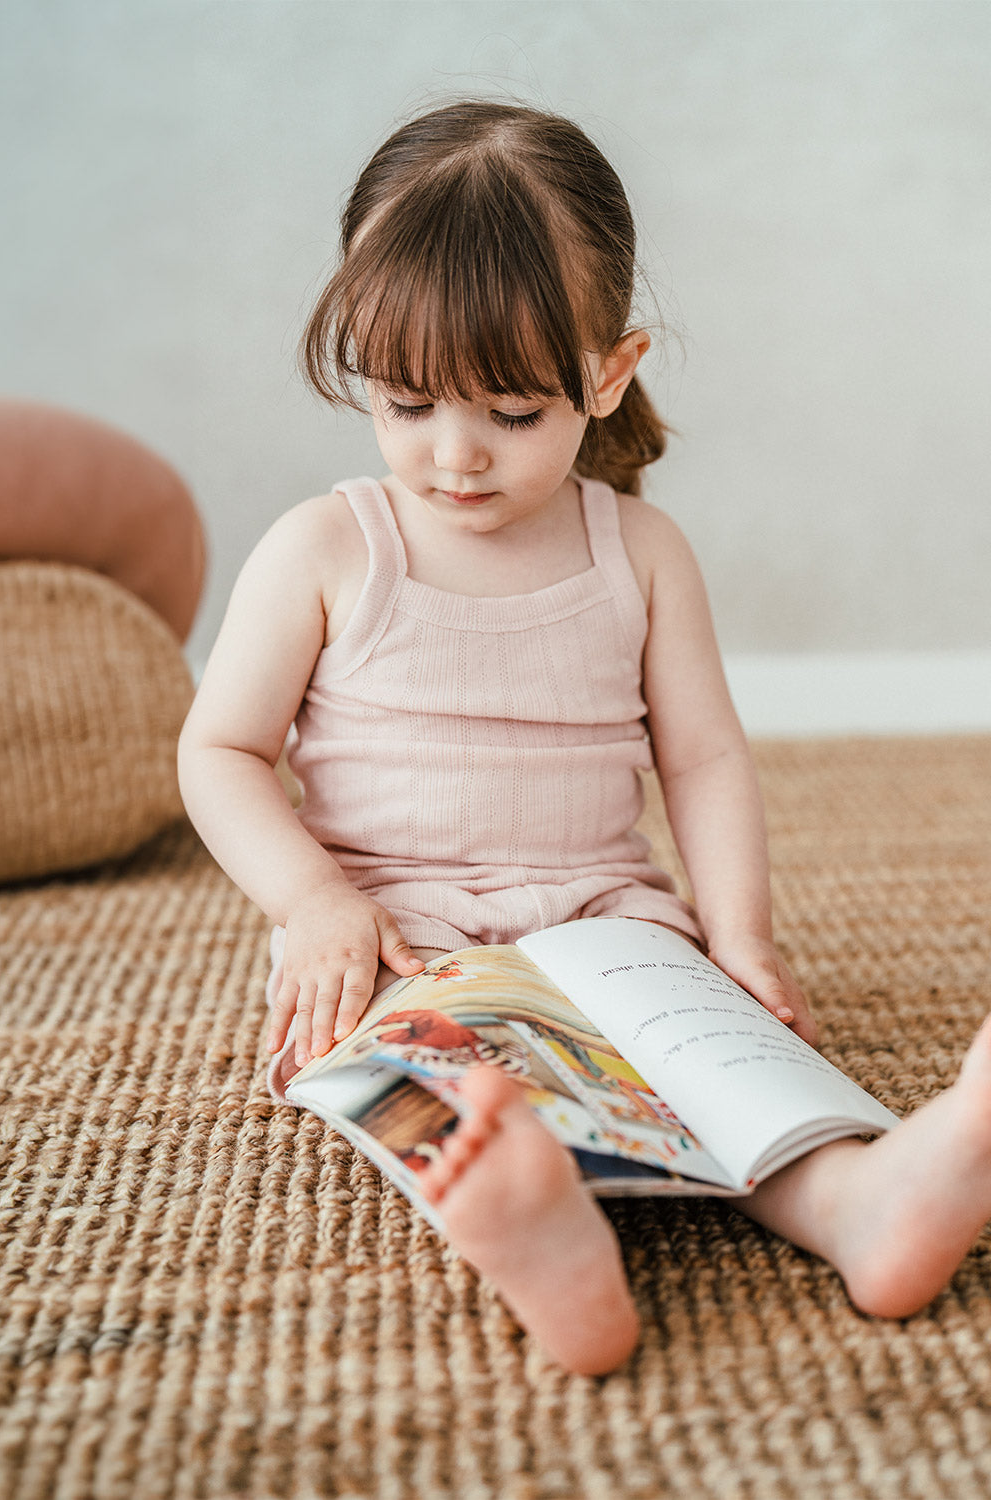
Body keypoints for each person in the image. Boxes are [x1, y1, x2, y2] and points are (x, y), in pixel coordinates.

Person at [178, 100, 991, 1377]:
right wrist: (312, 901)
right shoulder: (328, 547)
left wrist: (738, 940)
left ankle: (860, 1202)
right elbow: (218, 752)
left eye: (510, 414)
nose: (453, 459)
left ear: (606, 373)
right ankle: (537, 1228)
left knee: (712, 1065)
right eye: (405, 404)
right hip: (395, 926)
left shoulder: (639, 549)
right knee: (405, 1059)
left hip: (603, 915)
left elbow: (704, 757)